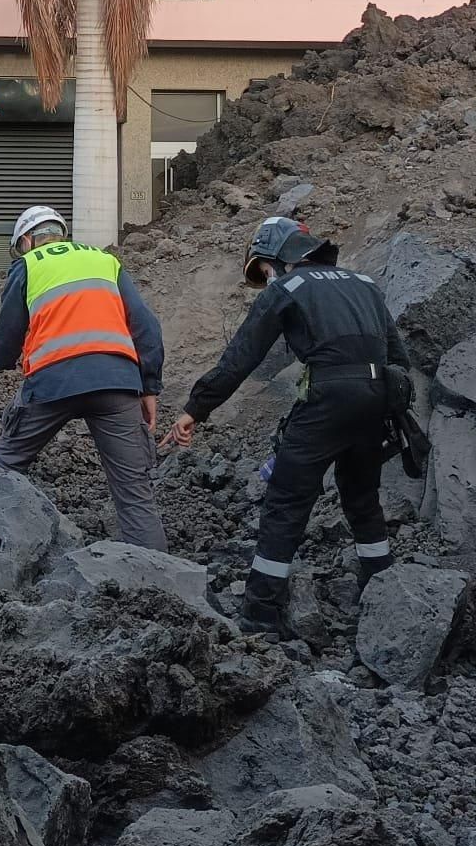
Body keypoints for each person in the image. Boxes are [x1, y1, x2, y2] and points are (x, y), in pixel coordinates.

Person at [158, 215, 410, 636]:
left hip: (326, 399)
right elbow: (398, 356)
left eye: (263, 270)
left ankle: (260, 615)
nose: (266, 279)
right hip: (377, 397)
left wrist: (194, 410)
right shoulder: (364, 283)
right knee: (363, 497)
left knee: (286, 502)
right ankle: (382, 588)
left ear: (276, 256)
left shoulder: (287, 288)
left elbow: (240, 358)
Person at [0, 204, 169, 552]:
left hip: (52, 384)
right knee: (135, 494)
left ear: (27, 241)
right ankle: (156, 576)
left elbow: (6, 343)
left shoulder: (28, 265)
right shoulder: (105, 261)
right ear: (61, 234)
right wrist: (149, 386)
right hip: (116, 382)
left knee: (3, 468)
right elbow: (146, 326)